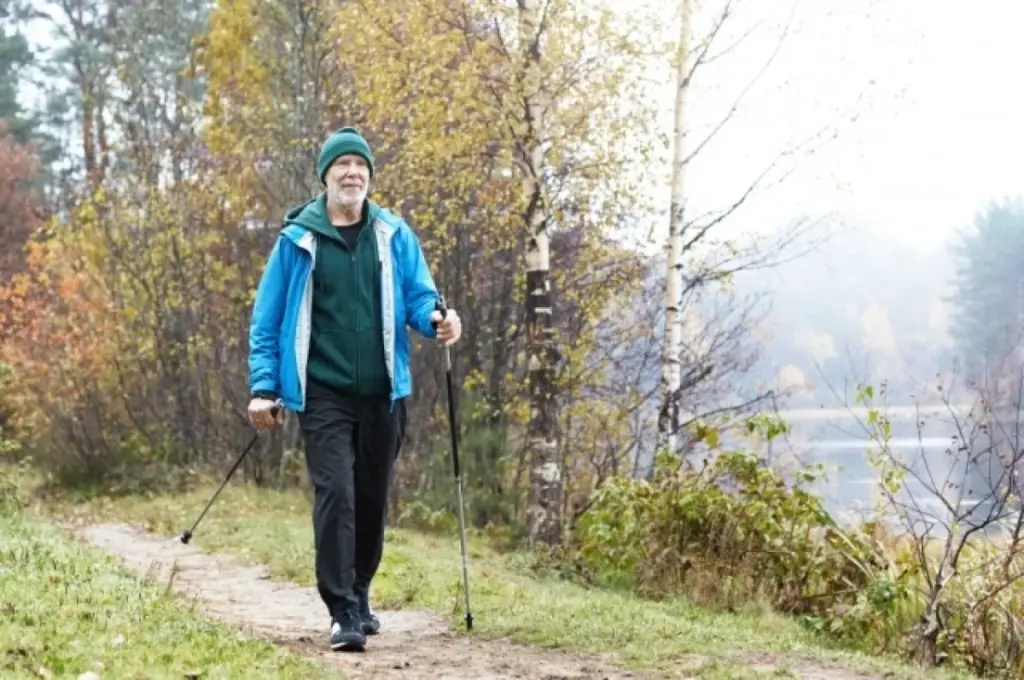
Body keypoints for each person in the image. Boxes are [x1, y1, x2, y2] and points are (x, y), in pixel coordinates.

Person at [245, 126, 462, 652]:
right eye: (341, 165)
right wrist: (263, 386)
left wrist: (438, 320)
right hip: (323, 393)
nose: (352, 173)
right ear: (325, 175)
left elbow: (419, 295)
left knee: (370, 497)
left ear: (369, 175)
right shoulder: (298, 238)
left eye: (360, 166)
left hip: (384, 392)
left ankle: (361, 594)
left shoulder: (392, 233)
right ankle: (340, 609)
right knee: (336, 493)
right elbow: (267, 321)